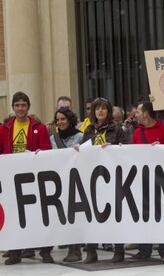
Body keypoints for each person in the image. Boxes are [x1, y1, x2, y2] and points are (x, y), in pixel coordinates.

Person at [1, 91, 53, 265]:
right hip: (11, 179)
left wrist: (40, 153)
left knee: (39, 214)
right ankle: (15, 252)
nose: (20, 108)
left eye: (23, 105)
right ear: (13, 107)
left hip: (34, 178)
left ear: (28, 107)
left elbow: (46, 150)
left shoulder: (40, 127)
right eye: (17, 105)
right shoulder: (5, 128)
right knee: (14, 215)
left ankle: (45, 251)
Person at [82, 97, 128, 264]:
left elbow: (126, 150)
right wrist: (77, 150)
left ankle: (119, 249)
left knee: (115, 215)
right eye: (97, 109)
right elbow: (83, 151)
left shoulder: (117, 129)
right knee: (92, 216)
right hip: (93, 179)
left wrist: (113, 148)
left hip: (112, 178)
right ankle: (91, 251)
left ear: (108, 111)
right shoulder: (88, 130)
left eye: (103, 108)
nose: (100, 111)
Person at [131, 101, 164, 262]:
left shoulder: (162, 128)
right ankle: (144, 250)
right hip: (143, 179)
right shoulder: (136, 132)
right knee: (144, 215)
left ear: (146, 114)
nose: (135, 114)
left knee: (162, 214)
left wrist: (161, 147)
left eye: (138, 112)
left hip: (161, 178)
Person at [49, 107, 83, 262]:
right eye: (57, 119)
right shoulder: (52, 139)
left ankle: (75, 250)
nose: (60, 122)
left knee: (74, 216)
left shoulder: (80, 137)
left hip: (77, 181)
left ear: (70, 119)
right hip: (59, 182)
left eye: (63, 119)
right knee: (64, 216)